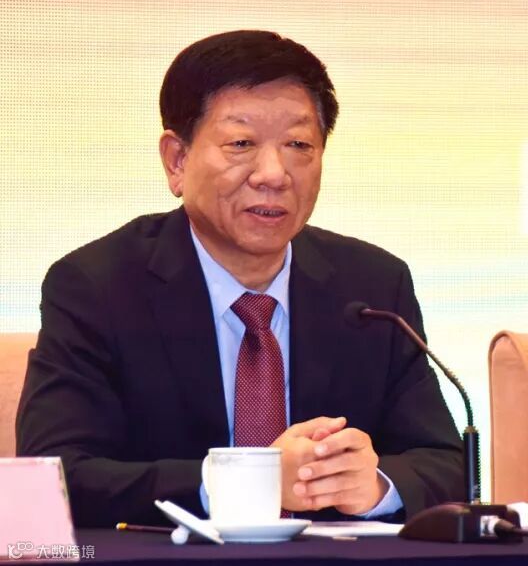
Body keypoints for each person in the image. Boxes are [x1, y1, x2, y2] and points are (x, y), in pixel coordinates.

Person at [16, 30, 464, 527]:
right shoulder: (97, 286)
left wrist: (376, 485)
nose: (273, 173)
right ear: (177, 160)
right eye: (241, 144)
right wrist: (248, 480)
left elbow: (448, 465)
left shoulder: (372, 285)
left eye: (298, 145)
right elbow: (55, 477)